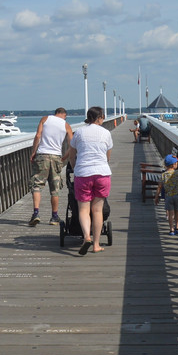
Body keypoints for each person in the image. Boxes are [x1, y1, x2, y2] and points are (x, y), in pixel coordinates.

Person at [66, 105, 113, 255]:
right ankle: (96, 244)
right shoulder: (106, 133)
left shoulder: (79, 132)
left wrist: (75, 168)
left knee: (83, 209)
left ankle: (86, 237)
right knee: (97, 210)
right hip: (102, 173)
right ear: (100, 117)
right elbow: (107, 156)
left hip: (83, 173)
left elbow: (72, 155)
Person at [29, 107, 73, 226]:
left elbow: (38, 136)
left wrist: (33, 152)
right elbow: (72, 144)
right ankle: (54, 217)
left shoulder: (45, 119)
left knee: (37, 185)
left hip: (42, 155)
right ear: (64, 115)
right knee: (55, 189)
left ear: (55, 113)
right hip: (56, 157)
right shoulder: (66, 125)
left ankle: (36, 213)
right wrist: (64, 157)